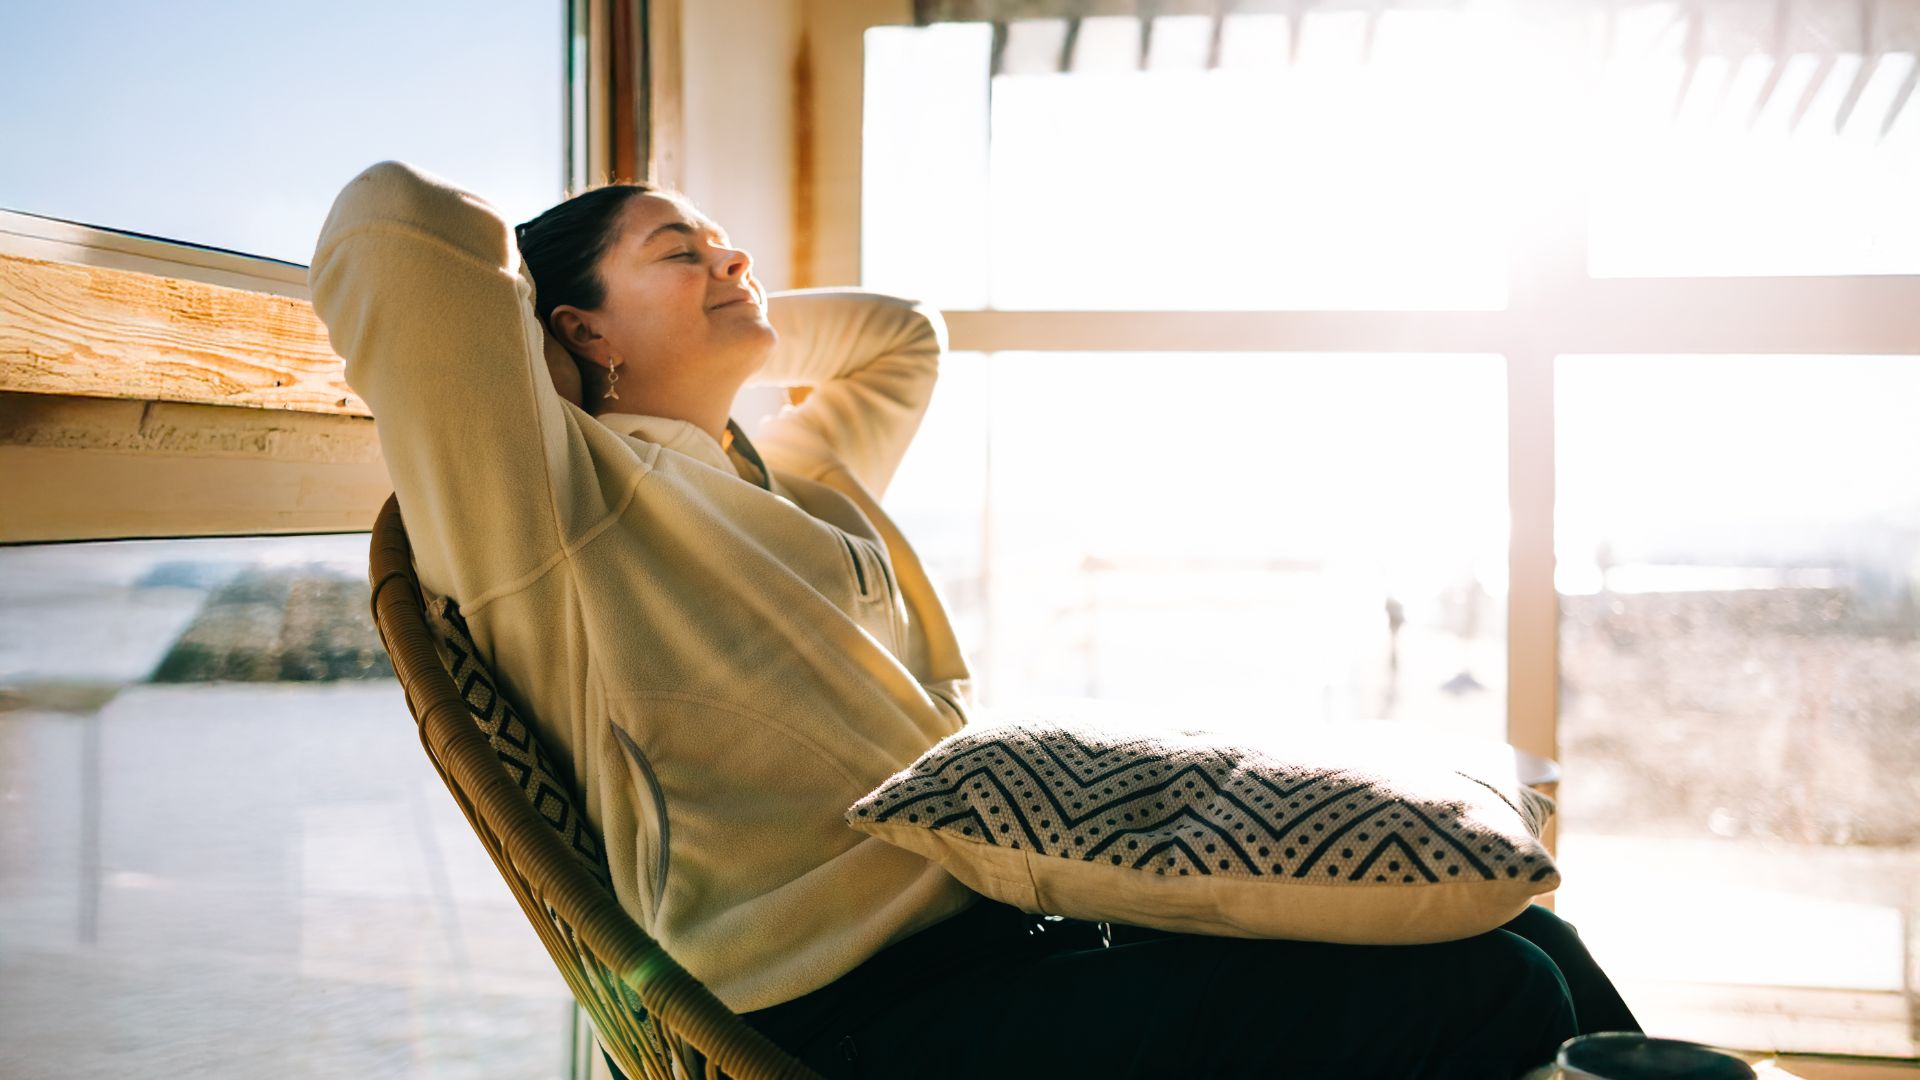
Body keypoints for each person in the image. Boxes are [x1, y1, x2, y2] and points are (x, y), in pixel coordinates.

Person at [311, 160, 1638, 1079]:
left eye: (728, 243)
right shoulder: (558, 517)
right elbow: (398, 229)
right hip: (847, 1018)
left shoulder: (785, 486)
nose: (732, 258)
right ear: (577, 327)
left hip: (1014, 936)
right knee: (1495, 996)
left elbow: (900, 338)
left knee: (1532, 934)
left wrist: (695, 302)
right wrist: (555, 377)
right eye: (680, 249)